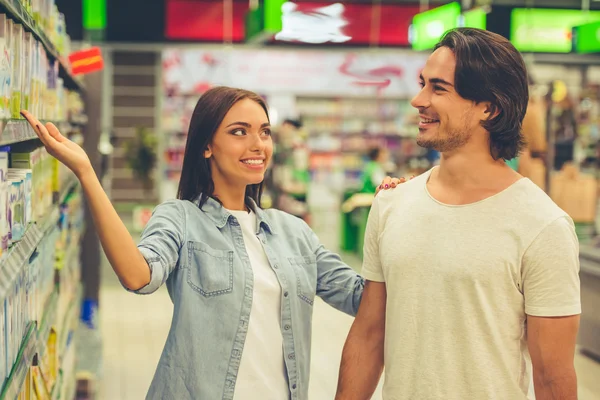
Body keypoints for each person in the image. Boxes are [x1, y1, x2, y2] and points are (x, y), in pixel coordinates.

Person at [20, 87, 399, 400]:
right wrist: (87, 173)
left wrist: (396, 218)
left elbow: (365, 298)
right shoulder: (181, 218)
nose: (258, 144)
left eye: (264, 132)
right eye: (239, 132)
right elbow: (138, 275)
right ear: (206, 147)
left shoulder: (293, 233)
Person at [336, 28, 581, 400]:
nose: (419, 100)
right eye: (422, 84)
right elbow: (369, 335)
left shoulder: (542, 225)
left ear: (489, 106)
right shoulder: (391, 204)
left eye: (438, 88)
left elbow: (552, 376)